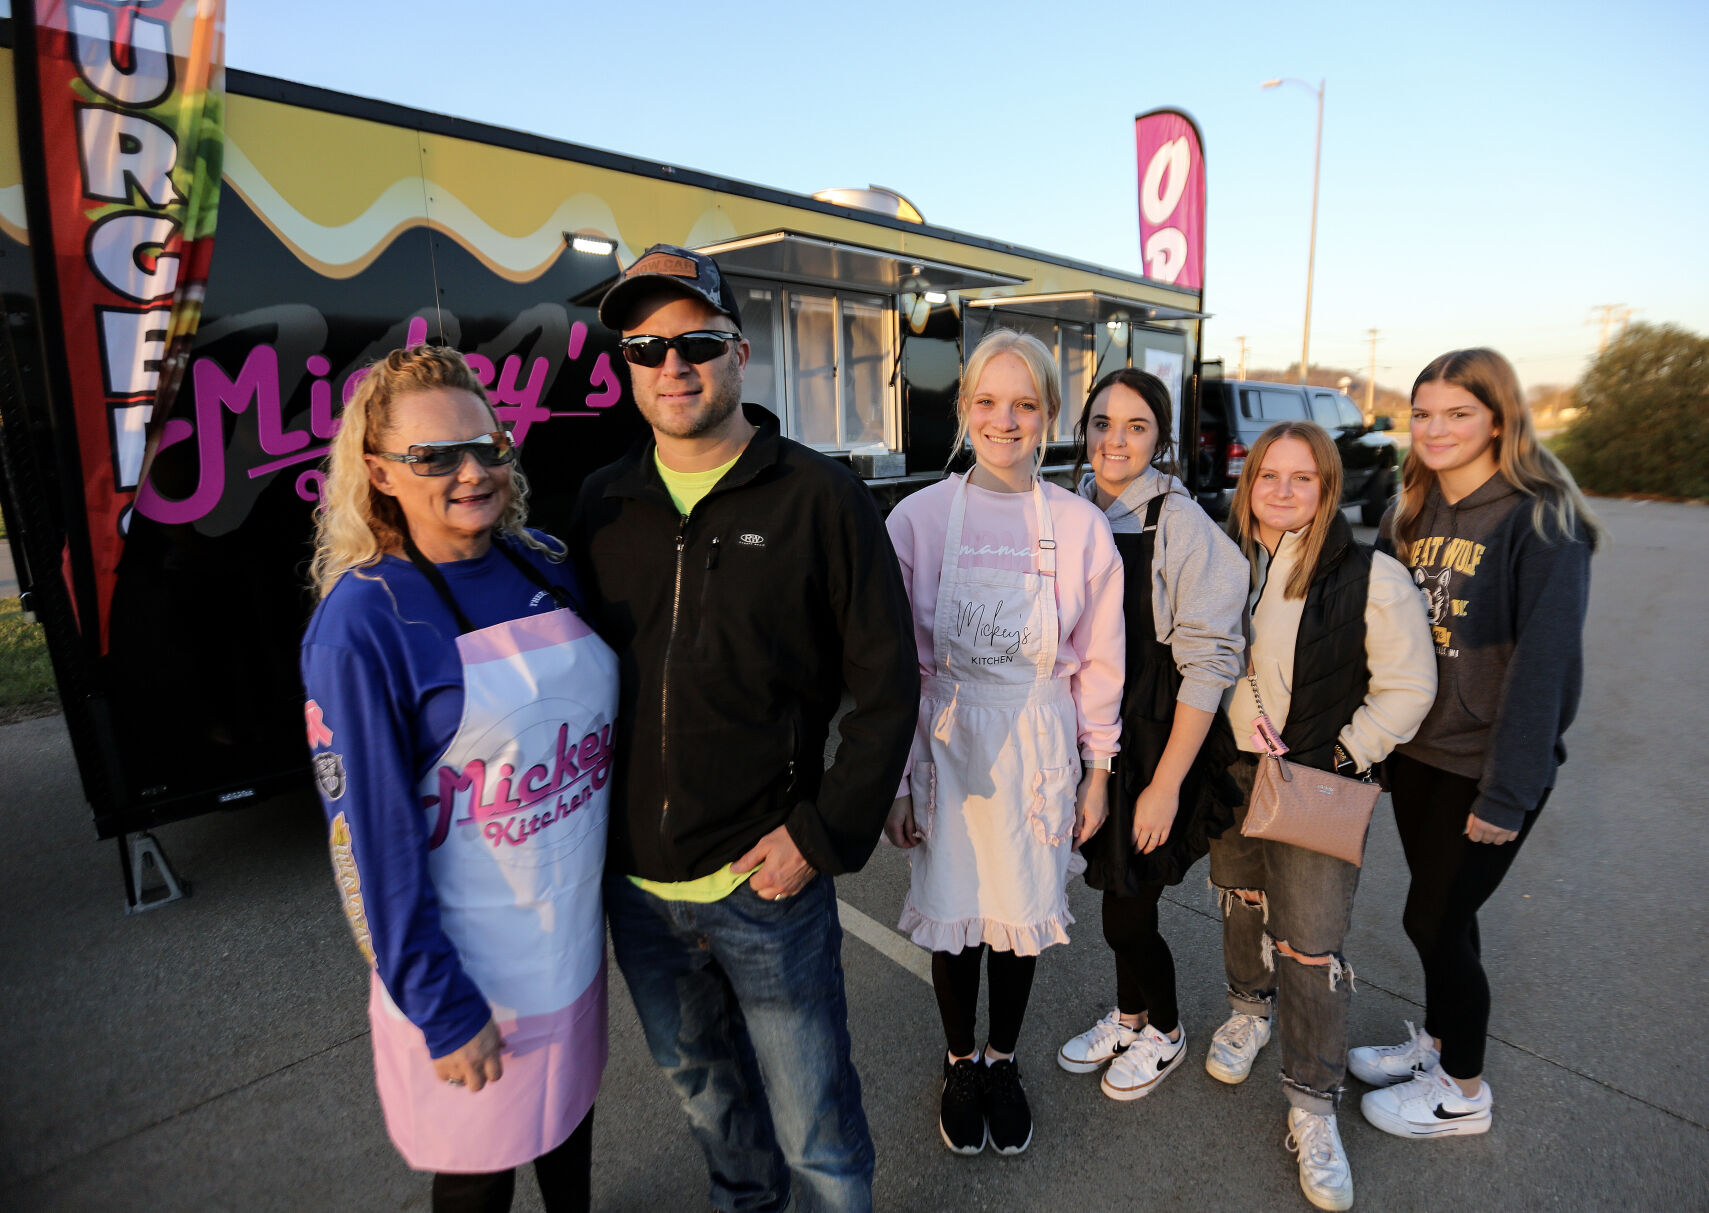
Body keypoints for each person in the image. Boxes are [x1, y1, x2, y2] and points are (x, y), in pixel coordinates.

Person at [570, 245, 918, 1213]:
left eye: (695, 342)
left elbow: (887, 686)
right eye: (645, 349)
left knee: (816, 1132)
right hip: (638, 894)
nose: (671, 365)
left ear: (739, 351)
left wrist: (815, 836)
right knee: (713, 1114)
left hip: (765, 885)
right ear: (628, 368)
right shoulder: (602, 504)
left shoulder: (820, 499)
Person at [300, 346, 613, 1213]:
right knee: (479, 1170)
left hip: (569, 945)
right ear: (379, 472)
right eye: (434, 456)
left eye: (489, 446)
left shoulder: (542, 562)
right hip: (471, 972)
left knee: (567, 1121)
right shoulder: (364, 620)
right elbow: (368, 844)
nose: (472, 472)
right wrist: (441, 1006)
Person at [883, 329, 1124, 1156]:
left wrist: (1099, 770)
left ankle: (1002, 1058)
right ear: (964, 410)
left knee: (1019, 910)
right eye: (987, 401)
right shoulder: (915, 519)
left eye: (1025, 403)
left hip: (1036, 739)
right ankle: (959, 1060)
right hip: (943, 739)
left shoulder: (1079, 526)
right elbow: (892, 667)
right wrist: (895, 780)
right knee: (955, 913)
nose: (1005, 419)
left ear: (1050, 414)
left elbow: (1098, 660)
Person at [1351, 349, 1601, 1140]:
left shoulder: (1541, 519)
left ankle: (1462, 1091)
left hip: (1485, 768)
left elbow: (1543, 672)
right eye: (1421, 412)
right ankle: (1438, 1041)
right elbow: (1388, 647)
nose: (1433, 428)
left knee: (1430, 920)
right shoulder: (1408, 513)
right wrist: (1382, 746)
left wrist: (1506, 790)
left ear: (1498, 418)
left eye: (1457, 412)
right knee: (1448, 920)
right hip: (1421, 757)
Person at [1206, 420, 1436, 1212]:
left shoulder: (1371, 575)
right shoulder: (1222, 558)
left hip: (1313, 783)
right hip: (1230, 773)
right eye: (1268, 474)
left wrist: (1343, 754)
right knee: (1241, 901)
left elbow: (1408, 687)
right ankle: (1245, 1012)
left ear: (1327, 486)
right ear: (1248, 482)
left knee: (1308, 945)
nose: (1281, 490)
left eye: (1302, 477)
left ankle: (1311, 1103)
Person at [1055, 368, 1247, 1101]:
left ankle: (1163, 1029)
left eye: (1135, 426)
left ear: (1160, 439)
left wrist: (1166, 785)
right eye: (1101, 422)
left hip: (1155, 744)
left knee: (1125, 912)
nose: (1114, 439)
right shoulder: (1073, 509)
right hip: (1093, 736)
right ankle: (1129, 1014)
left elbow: (1209, 664)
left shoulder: (1179, 524)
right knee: (1113, 886)